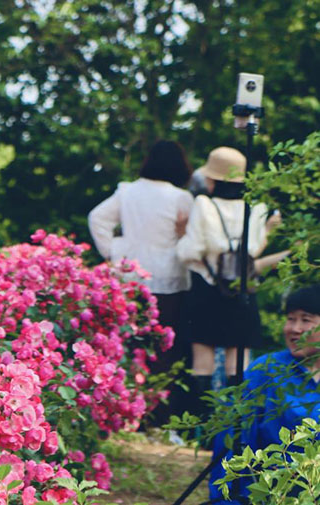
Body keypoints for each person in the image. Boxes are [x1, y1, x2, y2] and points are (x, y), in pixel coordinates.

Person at [88, 140, 195, 425]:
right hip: (168, 278)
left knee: (126, 344)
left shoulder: (128, 191)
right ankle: (157, 416)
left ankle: (121, 413)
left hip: (130, 276)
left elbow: (97, 218)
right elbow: (189, 237)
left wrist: (114, 252)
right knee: (163, 349)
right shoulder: (181, 198)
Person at [176, 146, 278, 418]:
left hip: (207, 290)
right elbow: (254, 250)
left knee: (202, 363)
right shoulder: (257, 209)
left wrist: (182, 238)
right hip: (242, 290)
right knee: (238, 363)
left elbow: (191, 251)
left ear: (211, 179)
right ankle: (236, 426)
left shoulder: (204, 205)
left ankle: (203, 428)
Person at [209, 284, 320, 504]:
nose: (294, 328)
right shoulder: (266, 371)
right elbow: (233, 442)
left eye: (305, 320)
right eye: (290, 319)